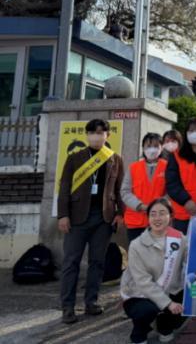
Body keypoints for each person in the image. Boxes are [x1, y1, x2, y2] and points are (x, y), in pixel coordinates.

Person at [57, 118, 124, 324]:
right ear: (87, 135)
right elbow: (64, 187)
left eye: (100, 133)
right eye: (92, 132)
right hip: (77, 217)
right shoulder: (75, 158)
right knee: (71, 262)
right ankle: (67, 307)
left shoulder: (115, 159)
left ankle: (91, 302)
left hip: (103, 218)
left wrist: (120, 213)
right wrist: (63, 215)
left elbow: (119, 189)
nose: (96, 136)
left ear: (107, 135)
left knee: (97, 262)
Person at [121, 199, 187, 344]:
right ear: (148, 217)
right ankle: (139, 333)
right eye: (153, 214)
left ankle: (165, 326)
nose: (157, 218)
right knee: (146, 311)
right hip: (139, 294)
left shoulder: (180, 239)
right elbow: (143, 282)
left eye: (162, 213)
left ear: (171, 216)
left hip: (169, 290)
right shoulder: (136, 245)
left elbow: (194, 259)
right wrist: (168, 304)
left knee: (194, 298)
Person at [121, 132, 167, 243]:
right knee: (137, 252)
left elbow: (171, 191)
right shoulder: (133, 167)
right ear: (143, 147)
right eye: (148, 146)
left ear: (161, 148)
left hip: (159, 220)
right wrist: (139, 205)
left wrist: (158, 206)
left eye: (156, 146)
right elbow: (125, 191)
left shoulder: (168, 167)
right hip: (135, 221)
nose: (152, 149)